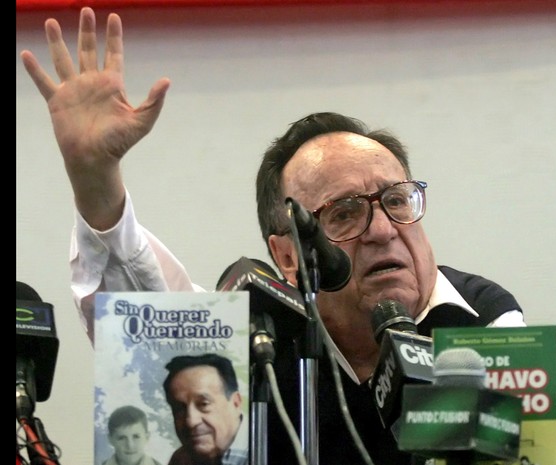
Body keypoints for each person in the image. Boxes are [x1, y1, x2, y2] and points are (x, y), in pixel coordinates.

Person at [20, 7, 526, 465]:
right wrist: (93, 178)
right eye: (345, 213)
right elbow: (145, 313)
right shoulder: (259, 334)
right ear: (288, 255)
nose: (382, 230)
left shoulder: (483, 320)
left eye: (396, 201)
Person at [162, 353, 248, 465]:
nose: (191, 421)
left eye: (203, 404)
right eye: (179, 409)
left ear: (236, 403)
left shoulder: (265, 451)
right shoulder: (182, 459)